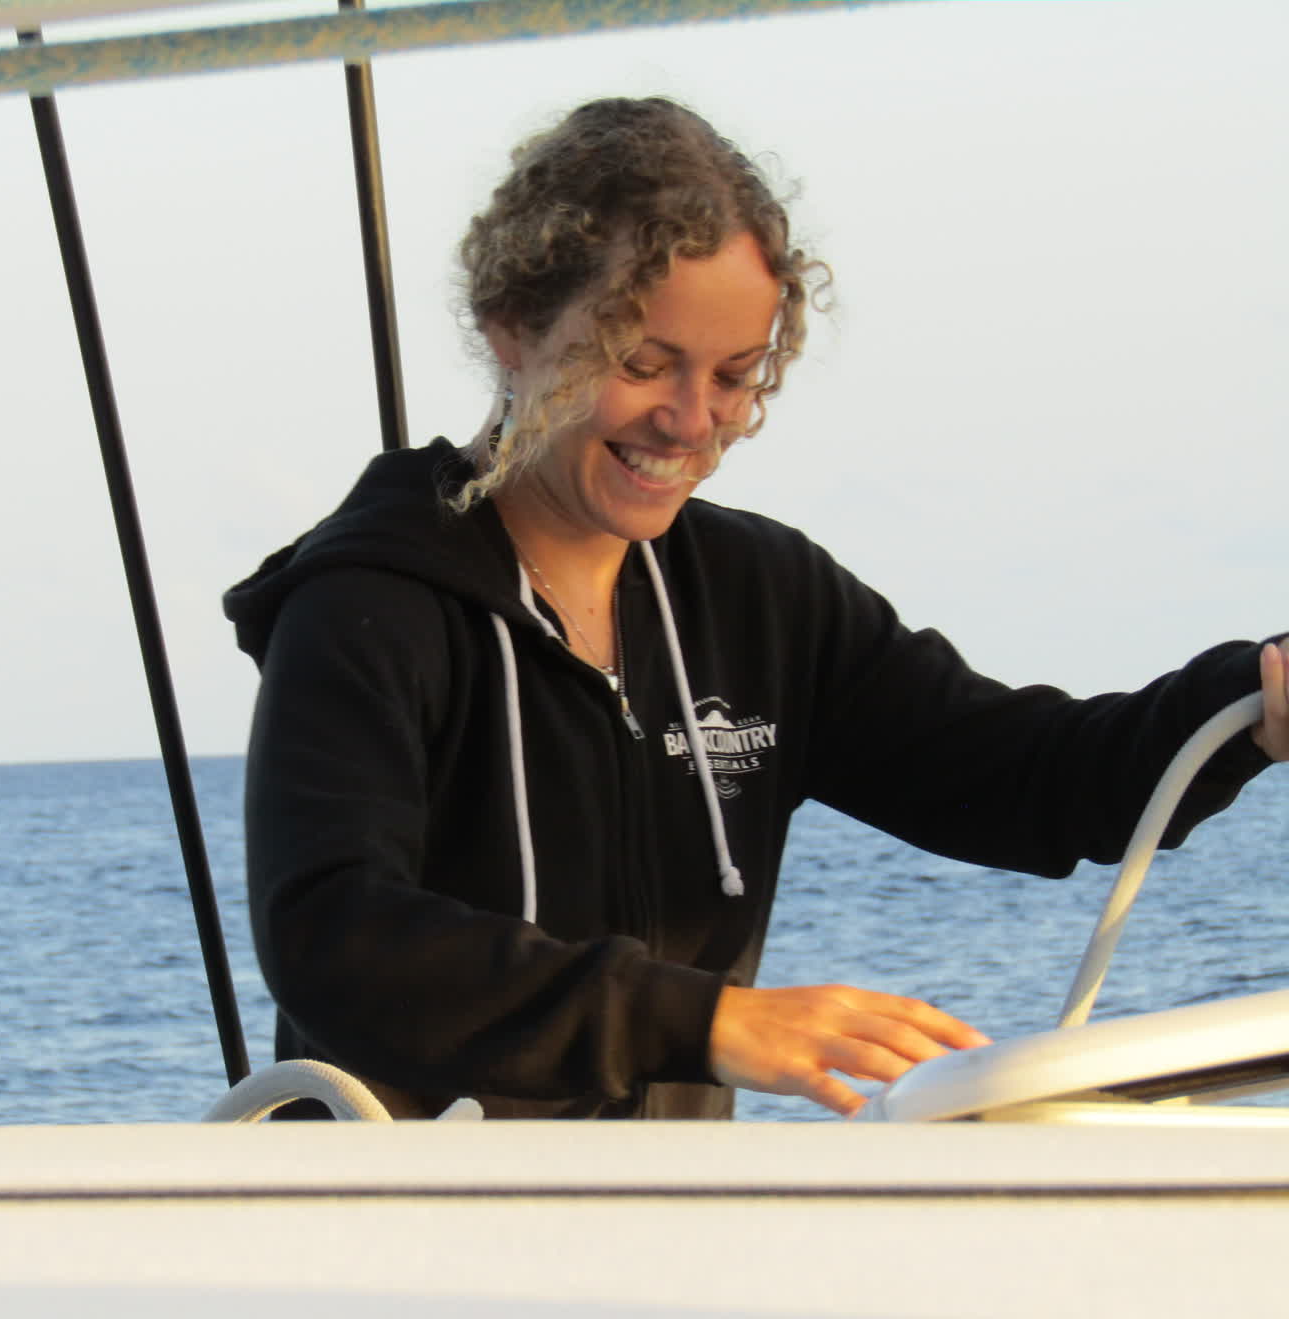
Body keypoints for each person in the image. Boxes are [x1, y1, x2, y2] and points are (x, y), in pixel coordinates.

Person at [222, 96, 1288, 1121]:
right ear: (512, 327)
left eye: (736, 375)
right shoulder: (366, 606)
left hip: (668, 1242)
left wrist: (1255, 696)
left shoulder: (764, 601)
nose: (691, 421)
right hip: (393, 1251)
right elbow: (334, 934)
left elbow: (1040, 780)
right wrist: (712, 1022)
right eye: (644, 364)